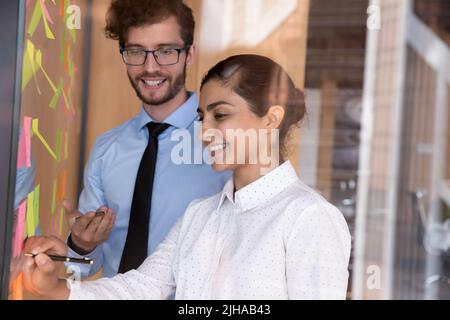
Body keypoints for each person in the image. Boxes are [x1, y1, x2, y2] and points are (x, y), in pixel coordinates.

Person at [23, 54, 351, 300]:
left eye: (220, 115)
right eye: (202, 117)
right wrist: (57, 288)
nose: (204, 131)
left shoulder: (309, 217)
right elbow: (142, 289)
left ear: (270, 119)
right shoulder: (200, 214)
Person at [63, 0, 230, 278]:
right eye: (136, 51)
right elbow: (78, 272)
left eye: (166, 51)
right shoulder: (107, 149)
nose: (150, 67)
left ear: (189, 54)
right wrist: (81, 245)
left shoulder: (226, 142)